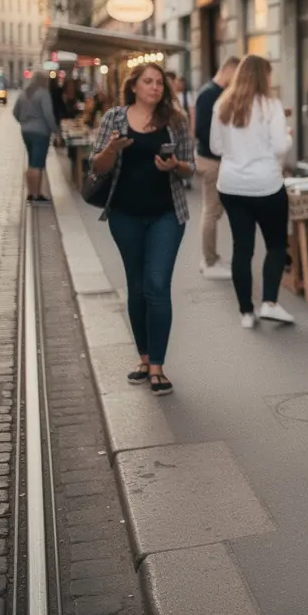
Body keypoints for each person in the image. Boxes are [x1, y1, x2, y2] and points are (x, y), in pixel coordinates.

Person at [89, 63, 196, 396]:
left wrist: (174, 165)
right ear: (133, 86)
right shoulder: (114, 119)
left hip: (167, 215)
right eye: (148, 82)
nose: (155, 87)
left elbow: (190, 168)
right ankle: (144, 357)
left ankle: (158, 367)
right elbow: (97, 166)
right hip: (125, 216)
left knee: (156, 284)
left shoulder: (175, 121)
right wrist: (111, 150)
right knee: (136, 286)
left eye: (159, 83)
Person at [209, 55, 295, 328]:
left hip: (232, 185)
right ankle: (269, 302)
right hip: (266, 185)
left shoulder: (222, 104)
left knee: (241, 248)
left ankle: (246, 312)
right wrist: (288, 135)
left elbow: (215, 147)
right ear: (263, 76)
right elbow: (281, 146)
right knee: (276, 245)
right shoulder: (271, 106)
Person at [194, 57, 240, 279]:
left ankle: (211, 258)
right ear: (228, 72)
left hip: (214, 159)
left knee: (213, 211)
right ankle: (209, 261)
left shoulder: (211, 92)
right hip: (212, 160)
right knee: (211, 212)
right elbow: (202, 130)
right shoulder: (209, 94)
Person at [13, 72, 59, 202]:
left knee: (32, 161)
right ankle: (36, 194)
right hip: (40, 132)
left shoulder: (24, 93)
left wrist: (24, 122)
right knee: (37, 163)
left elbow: (15, 112)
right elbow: (48, 115)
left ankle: (31, 192)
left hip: (26, 131)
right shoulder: (43, 93)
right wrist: (55, 130)